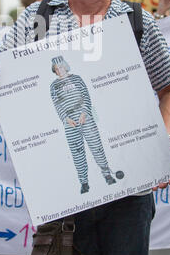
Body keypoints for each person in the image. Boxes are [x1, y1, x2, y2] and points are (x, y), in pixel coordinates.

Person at [0, 0, 170, 255]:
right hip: (62, 194)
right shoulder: (35, 19)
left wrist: (159, 137)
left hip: (130, 191)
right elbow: (4, 82)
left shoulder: (138, 21)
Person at [50, 55, 123, 193]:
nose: (59, 70)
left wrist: (84, 112)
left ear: (65, 66)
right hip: (69, 122)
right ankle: (84, 182)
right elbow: (57, 104)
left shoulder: (77, 79)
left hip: (85, 117)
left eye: (60, 67)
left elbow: (86, 96)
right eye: (56, 69)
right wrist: (66, 118)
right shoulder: (53, 86)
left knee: (96, 146)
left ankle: (107, 174)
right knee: (77, 152)